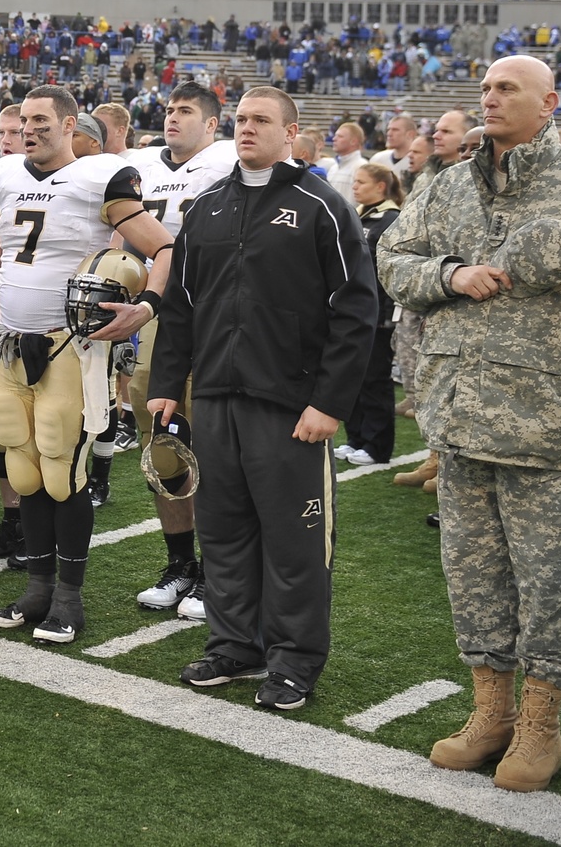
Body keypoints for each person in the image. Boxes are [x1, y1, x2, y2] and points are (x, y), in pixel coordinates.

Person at [379, 55, 561, 793]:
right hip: (462, 420)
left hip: (554, 427)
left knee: (550, 581)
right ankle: (491, 713)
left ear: (549, 102)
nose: (490, 98)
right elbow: (394, 257)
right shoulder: (448, 186)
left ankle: (541, 724)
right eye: (485, 89)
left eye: (507, 88)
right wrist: (451, 274)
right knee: (473, 575)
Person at [154, 85, 377, 711]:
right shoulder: (206, 208)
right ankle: (234, 644)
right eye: (242, 120)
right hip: (217, 397)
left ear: (290, 132)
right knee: (223, 533)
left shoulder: (322, 206)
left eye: (262, 121)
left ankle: (294, 660)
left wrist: (329, 403)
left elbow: (356, 312)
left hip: (290, 407)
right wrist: (169, 385)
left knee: (295, 542)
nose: (248, 129)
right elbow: (180, 307)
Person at [0, 85, 173, 643]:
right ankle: (37, 588)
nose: (30, 128)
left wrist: (146, 306)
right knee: (25, 468)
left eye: (43, 120)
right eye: (24, 119)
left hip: (71, 346)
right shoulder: (2, 177)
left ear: (68, 125)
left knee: (64, 470)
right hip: (12, 343)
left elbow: (164, 249)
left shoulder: (98, 177)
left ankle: (69, 597)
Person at [120, 82, 238, 617]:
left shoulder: (231, 161)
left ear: (212, 124)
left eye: (185, 110)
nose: (172, 118)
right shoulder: (140, 164)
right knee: (163, 446)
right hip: (157, 319)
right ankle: (180, 566)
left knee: (217, 448)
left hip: (216, 322)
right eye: (169, 109)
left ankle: (219, 573)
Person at [340, 162, 404, 466]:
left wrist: (388, 313)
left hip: (378, 312)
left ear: (380, 187)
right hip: (353, 311)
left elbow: (391, 270)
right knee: (353, 376)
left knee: (375, 380)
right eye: (354, 181)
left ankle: (377, 445)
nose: (355, 187)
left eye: (361, 182)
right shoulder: (358, 214)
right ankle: (356, 438)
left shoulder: (392, 220)